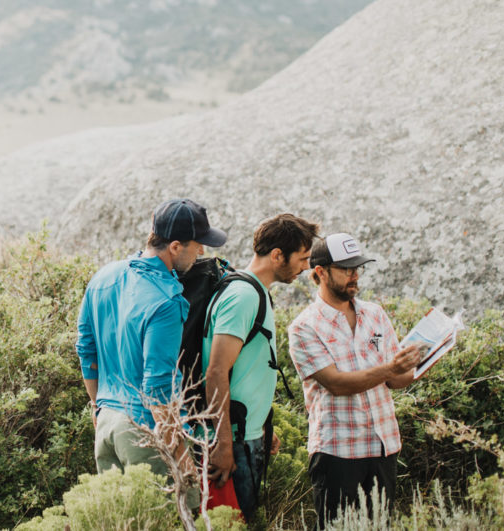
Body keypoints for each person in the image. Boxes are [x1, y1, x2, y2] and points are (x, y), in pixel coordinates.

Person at [76, 198, 227, 485]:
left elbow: (86, 349)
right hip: (144, 435)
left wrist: (99, 406)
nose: (202, 252)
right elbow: (157, 387)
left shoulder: (103, 277)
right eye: (198, 244)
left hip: (106, 424)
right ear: (175, 247)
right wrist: (183, 461)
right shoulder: (166, 301)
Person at [287, 233, 422, 528]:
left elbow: (396, 380)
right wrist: (390, 369)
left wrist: (422, 362)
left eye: (357, 268)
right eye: (346, 269)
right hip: (337, 452)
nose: (354, 276)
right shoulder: (304, 328)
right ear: (320, 272)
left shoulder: (374, 314)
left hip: (383, 447)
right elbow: (336, 383)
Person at [203, 213, 319, 522]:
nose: (306, 266)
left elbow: (247, 368)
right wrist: (224, 444)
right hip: (235, 441)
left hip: (247, 433)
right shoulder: (243, 296)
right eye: (302, 258)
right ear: (278, 255)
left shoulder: (256, 292)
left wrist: (264, 424)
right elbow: (215, 371)